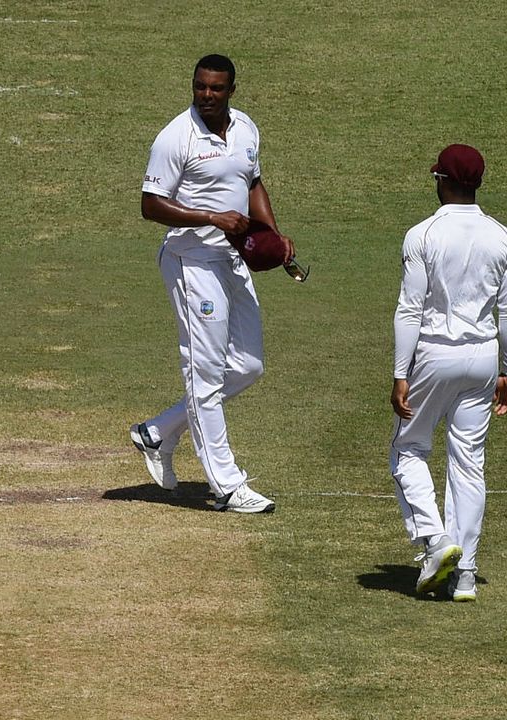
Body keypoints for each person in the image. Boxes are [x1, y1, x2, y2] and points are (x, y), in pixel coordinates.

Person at [130, 54, 292, 513]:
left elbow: (253, 182)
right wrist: (210, 217)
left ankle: (157, 432)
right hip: (192, 261)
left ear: (231, 91)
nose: (206, 95)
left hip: (233, 260)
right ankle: (226, 485)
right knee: (204, 373)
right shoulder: (174, 137)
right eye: (200, 86)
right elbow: (150, 204)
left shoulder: (246, 129)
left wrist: (274, 236)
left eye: (216, 89)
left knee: (248, 365)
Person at [390, 144, 507, 601]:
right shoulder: (503, 237)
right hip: (483, 358)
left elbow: (410, 309)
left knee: (408, 450)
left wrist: (398, 373)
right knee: (469, 463)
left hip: (432, 354)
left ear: (441, 181)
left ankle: (435, 541)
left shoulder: (422, 234)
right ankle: (465, 574)